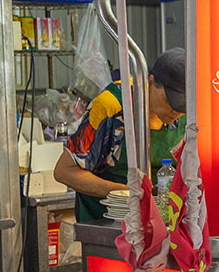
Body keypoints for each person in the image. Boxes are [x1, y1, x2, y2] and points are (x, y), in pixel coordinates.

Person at [54, 47, 188, 223]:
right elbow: (64, 172)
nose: (175, 112)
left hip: (163, 218)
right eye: (170, 101)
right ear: (150, 81)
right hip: (106, 220)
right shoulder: (111, 107)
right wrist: (126, 192)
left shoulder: (190, 112)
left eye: (182, 106)